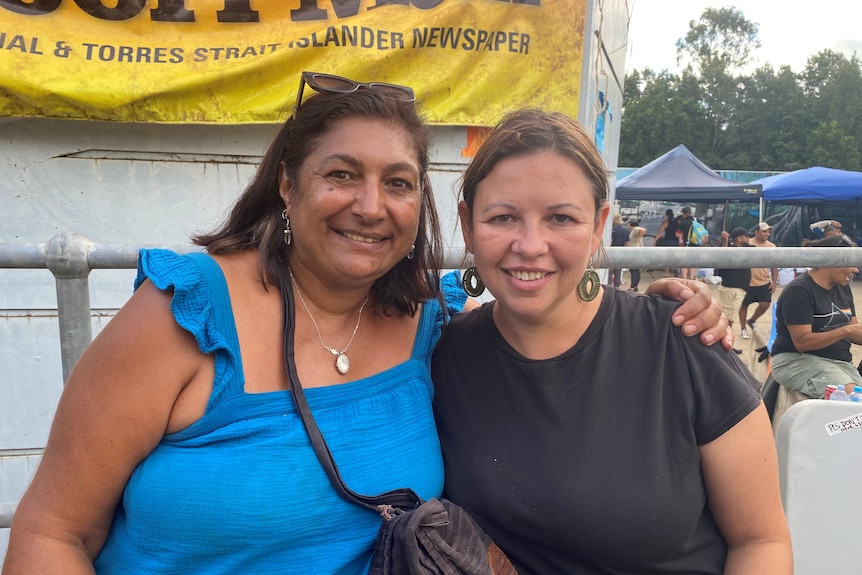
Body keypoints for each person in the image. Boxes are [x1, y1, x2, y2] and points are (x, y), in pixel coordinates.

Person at [4, 75, 728, 574]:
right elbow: (50, 532)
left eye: (399, 183)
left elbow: (544, 323)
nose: (371, 205)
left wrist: (665, 311)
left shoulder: (432, 322)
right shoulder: (186, 313)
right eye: (342, 173)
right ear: (287, 185)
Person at [432, 109, 792, 574]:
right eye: (503, 217)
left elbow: (761, 540)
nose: (530, 244)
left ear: (599, 225)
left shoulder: (682, 342)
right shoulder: (445, 355)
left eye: (561, 218)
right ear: (467, 224)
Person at [771, 234, 862, 400]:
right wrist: (846, 330)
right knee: (852, 399)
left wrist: (851, 330)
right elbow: (802, 342)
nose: (855, 270)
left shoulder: (843, 287)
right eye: (851, 263)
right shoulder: (799, 291)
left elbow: (854, 330)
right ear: (832, 262)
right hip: (797, 360)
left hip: (839, 363)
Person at [716, 227, 752, 355]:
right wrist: (725, 241)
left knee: (729, 318)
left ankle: (726, 344)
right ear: (739, 238)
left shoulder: (748, 250)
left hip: (738, 289)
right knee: (727, 319)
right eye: (746, 236)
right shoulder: (729, 248)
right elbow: (721, 260)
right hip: (731, 288)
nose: (748, 239)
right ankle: (725, 345)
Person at [740, 221, 778, 339]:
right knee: (744, 305)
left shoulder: (771, 247)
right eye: (764, 231)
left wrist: (774, 282)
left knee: (765, 304)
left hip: (764, 281)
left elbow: (774, 265)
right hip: (747, 282)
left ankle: (752, 320)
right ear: (756, 232)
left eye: (768, 231)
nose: (767, 234)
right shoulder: (748, 244)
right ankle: (743, 328)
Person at [654, 208, 681, 276]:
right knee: (675, 256)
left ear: (666, 215)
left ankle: (667, 272)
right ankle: (675, 268)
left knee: (667, 256)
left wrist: (654, 241)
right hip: (675, 241)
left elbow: (660, 233)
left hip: (667, 240)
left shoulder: (665, 222)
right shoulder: (678, 221)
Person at [625, 216, 646, 292]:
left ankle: (633, 287)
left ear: (630, 224)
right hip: (637, 252)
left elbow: (643, 230)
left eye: (628, 224)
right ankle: (634, 286)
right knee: (635, 270)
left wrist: (638, 238)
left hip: (635, 252)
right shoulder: (634, 230)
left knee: (633, 270)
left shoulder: (635, 229)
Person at [608, 213, 629, 287]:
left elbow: (611, 241)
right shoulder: (626, 231)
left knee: (610, 272)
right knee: (618, 272)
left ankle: (609, 286)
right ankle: (617, 287)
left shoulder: (613, 230)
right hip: (621, 253)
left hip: (612, 253)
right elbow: (627, 243)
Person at [678, 206, 696, 279]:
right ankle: (692, 278)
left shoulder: (683, 222)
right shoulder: (696, 221)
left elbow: (678, 234)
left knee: (684, 261)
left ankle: (684, 278)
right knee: (693, 261)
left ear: (683, 213)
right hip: (695, 244)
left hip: (686, 244)